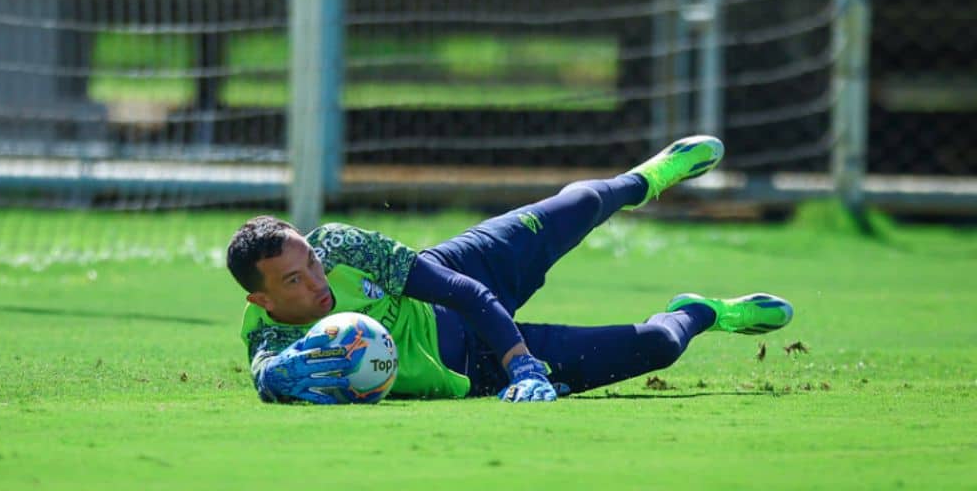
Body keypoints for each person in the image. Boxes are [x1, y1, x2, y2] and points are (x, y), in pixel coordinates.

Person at [225, 135, 794, 404]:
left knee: (577, 208)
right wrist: (273, 382)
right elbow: (266, 371)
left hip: (463, 279)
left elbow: (461, 290)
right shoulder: (269, 335)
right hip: (475, 369)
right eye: (294, 280)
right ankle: (703, 312)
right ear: (262, 300)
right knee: (660, 347)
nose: (318, 281)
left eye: (313, 263)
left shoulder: (343, 245)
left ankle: (645, 179)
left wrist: (524, 365)